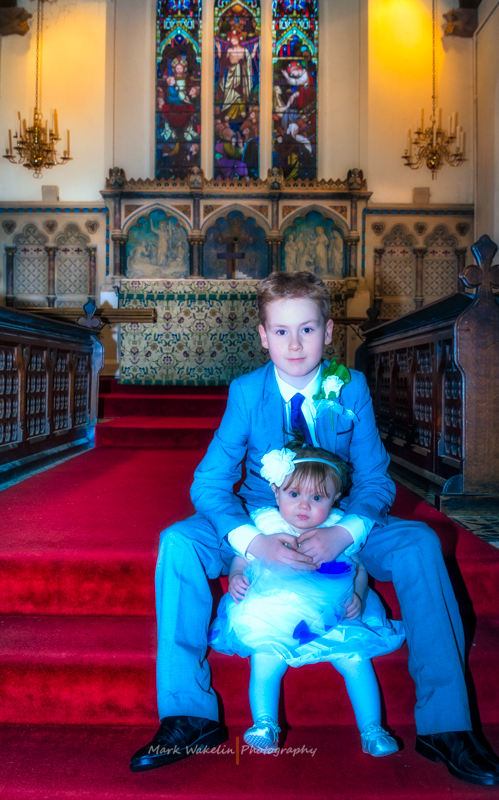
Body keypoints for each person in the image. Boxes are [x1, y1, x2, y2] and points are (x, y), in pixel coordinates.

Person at [130, 271, 499, 786]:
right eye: (280, 331)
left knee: (419, 542)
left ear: (328, 331)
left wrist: (343, 533)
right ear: (262, 336)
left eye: (307, 329)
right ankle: (188, 715)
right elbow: (209, 484)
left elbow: (374, 481)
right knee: (178, 543)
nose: (294, 343)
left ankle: (446, 726)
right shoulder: (246, 392)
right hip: (262, 516)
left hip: (338, 515)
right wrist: (253, 541)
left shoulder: (351, 388)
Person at [209, 440, 405, 756]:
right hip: (272, 613)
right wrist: (236, 575)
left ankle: (372, 729)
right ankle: (265, 724)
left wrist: (357, 592)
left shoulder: (338, 528)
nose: (304, 506)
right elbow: (242, 557)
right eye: (294, 495)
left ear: (335, 498)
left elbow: (358, 568)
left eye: (317, 498)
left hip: (331, 615)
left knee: (354, 657)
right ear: (277, 493)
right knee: (265, 655)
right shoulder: (265, 524)